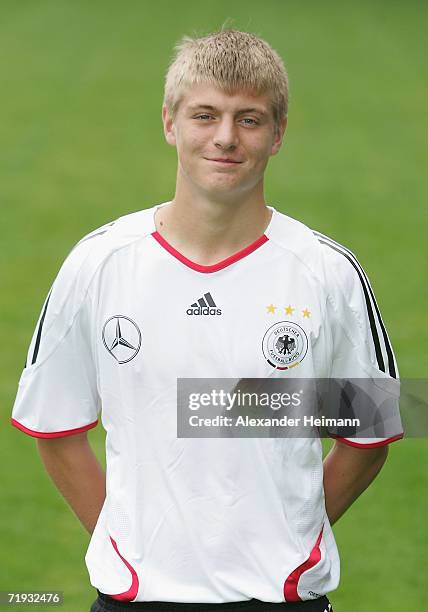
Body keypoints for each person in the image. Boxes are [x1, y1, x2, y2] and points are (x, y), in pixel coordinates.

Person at [11, 29, 403, 612]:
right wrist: (129, 548)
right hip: (134, 600)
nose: (225, 137)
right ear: (170, 123)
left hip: (280, 599)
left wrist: (288, 537)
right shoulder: (99, 263)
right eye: (205, 115)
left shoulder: (326, 273)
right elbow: (57, 428)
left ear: (278, 134)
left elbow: (368, 436)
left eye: (249, 119)